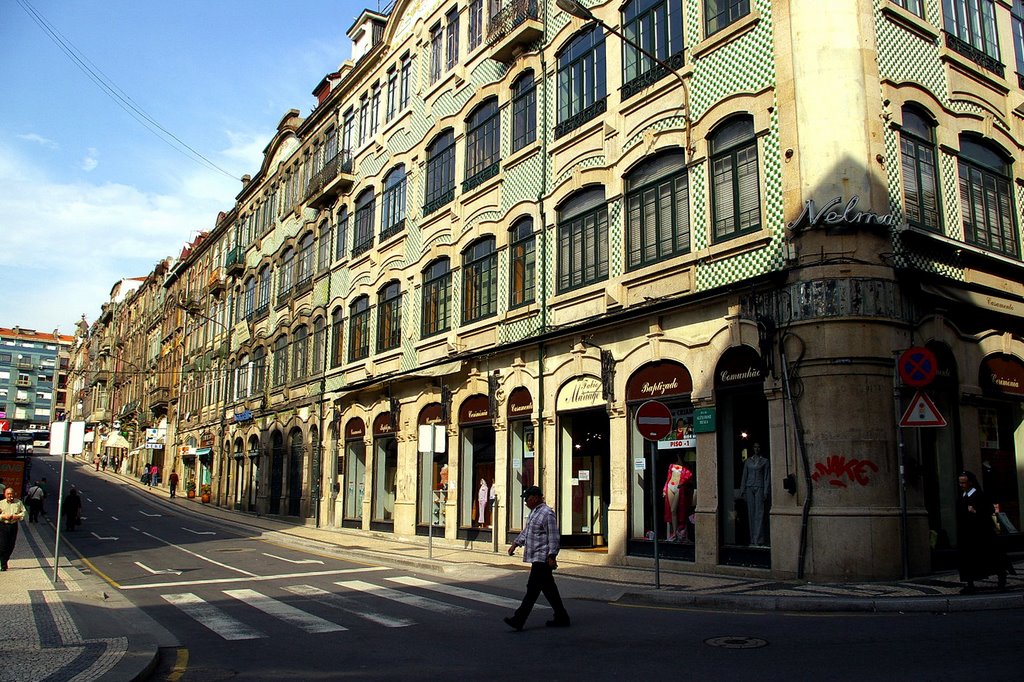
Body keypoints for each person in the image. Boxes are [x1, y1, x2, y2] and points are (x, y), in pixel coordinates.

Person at [504, 485, 571, 631]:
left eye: (527, 499)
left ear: (534, 498)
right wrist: (515, 544)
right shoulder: (535, 513)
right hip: (536, 557)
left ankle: (519, 619)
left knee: (532, 590)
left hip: (543, 558)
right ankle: (562, 617)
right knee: (549, 589)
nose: (526, 502)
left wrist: (552, 555)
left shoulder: (547, 514)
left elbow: (554, 536)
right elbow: (527, 531)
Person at [956, 471, 1010, 593]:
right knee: (968, 559)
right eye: (960, 482)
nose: (961, 485)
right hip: (967, 534)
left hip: (982, 533)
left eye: (964, 482)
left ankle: (1001, 580)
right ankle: (970, 583)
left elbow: (989, 510)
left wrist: (976, 511)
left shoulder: (979, 495)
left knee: (992, 557)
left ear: (970, 482)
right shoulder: (963, 496)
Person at [740, 442, 770, 546]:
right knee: (751, 512)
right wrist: (742, 490)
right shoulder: (748, 461)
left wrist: (766, 490)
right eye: (755, 447)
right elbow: (744, 475)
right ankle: (752, 539)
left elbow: (766, 477)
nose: (756, 449)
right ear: (752, 448)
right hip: (749, 486)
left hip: (760, 487)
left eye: (758, 447)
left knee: (759, 513)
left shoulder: (765, 461)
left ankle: (759, 539)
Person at [662, 457, 693, 541]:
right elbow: (668, 477)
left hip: (678, 487)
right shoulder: (671, 465)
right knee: (670, 510)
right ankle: (674, 532)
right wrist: (665, 489)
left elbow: (689, 476)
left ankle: (676, 532)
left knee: (673, 509)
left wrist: (682, 483)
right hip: (670, 486)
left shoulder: (685, 467)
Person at [0, 486, 27, 570]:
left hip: (13, 526)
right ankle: (3, 564)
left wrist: (17, 516)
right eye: (8, 494)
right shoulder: (1, 503)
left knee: (11, 545)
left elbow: (24, 512)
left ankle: (5, 560)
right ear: (5, 494)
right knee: (3, 545)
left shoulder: (18, 503)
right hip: (3, 525)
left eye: (11, 494)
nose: (10, 496)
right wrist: (3, 516)